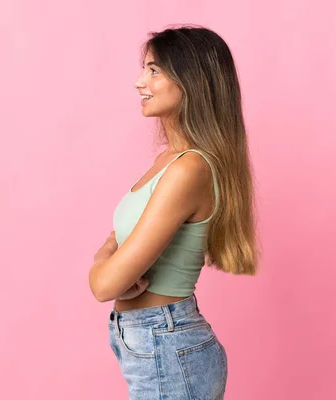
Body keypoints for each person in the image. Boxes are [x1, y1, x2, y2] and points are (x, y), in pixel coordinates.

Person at [88, 25, 259, 399]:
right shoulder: (169, 162)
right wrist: (110, 262)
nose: (139, 82)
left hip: (166, 343)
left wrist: (103, 259)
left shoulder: (188, 169)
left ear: (191, 81)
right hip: (150, 340)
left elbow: (104, 284)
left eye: (154, 70)